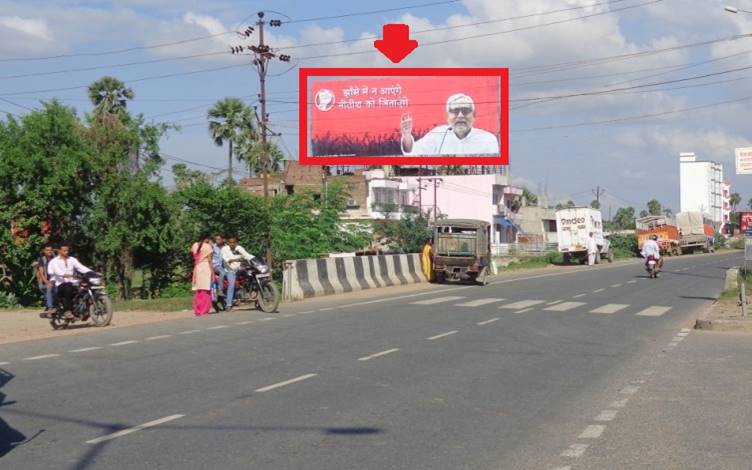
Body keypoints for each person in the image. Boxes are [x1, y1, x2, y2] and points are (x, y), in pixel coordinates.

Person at [400, 93, 499, 156]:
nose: (460, 116)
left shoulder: (488, 139)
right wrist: (407, 136)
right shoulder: (438, 134)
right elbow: (413, 153)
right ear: (447, 117)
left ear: (474, 116)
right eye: (455, 111)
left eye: (465, 111)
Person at [45, 244, 92, 318]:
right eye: (64, 251)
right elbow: (57, 271)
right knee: (68, 288)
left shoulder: (72, 259)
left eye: (67, 250)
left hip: (73, 282)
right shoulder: (54, 261)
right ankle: (67, 310)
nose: (66, 252)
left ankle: (84, 309)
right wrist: (64, 274)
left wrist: (91, 272)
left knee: (85, 288)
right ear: (59, 251)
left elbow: (81, 267)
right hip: (60, 283)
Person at [221, 236, 254, 310]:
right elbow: (227, 260)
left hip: (240, 269)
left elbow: (247, 255)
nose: (232, 244)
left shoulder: (239, 248)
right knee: (232, 285)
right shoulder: (224, 249)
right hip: (230, 270)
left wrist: (255, 259)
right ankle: (228, 304)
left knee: (252, 275)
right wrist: (237, 259)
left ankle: (250, 294)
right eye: (230, 242)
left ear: (236, 243)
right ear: (228, 243)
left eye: (234, 242)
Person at [191, 232, 214, 316]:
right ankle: (204, 310)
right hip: (205, 267)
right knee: (206, 290)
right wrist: (212, 273)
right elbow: (210, 261)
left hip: (197, 267)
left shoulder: (194, 245)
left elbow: (194, 256)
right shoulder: (208, 247)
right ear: (207, 239)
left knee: (198, 290)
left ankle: (198, 309)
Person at [35, 244, 56, 314]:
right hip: (44, 281)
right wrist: (46, 282)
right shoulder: (42, 260)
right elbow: (41, 273)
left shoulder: (55, 259)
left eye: (50, 250)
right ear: (44, 251)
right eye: (47, 250)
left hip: (54, 280)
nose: (49, 251)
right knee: (48, 290)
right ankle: (50, 308)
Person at [212, 234, 226, 303]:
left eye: (219, 239)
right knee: (222, 272)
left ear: (223, 240)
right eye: (216, 239)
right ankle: (220, 290)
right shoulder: (213, 247)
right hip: (215, 266)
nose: (217, 241)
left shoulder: (226, 247)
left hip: (223, 266)